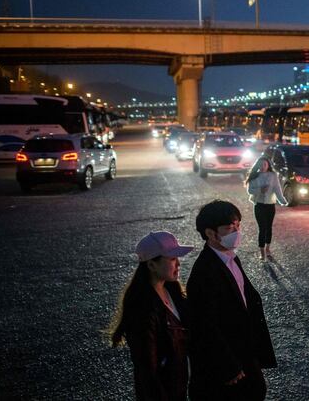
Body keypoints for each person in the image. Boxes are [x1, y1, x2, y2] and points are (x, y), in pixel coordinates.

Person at [187, 200, 277, 400]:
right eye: (229, 228)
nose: (236, 232)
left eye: (238, 225)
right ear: (210, 233)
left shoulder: (231, 258)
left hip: (245, 354)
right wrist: (228, 367)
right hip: (228, 367)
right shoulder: (204, 271)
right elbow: (205, 326)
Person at [109, 231, 194, 401]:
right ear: (151, 265)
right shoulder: (142, 308)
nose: (178, 264)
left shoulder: (173, 290)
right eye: (171, 259)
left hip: (181, 386)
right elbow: (147, 369)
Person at [244, 157, 288, 260]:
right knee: (262, 228)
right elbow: (250, 191)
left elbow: (277, 189)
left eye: (264, 164)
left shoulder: (273, 176)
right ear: (257, 165)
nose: (262, 166)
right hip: (259, 205)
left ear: (268, 165)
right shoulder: (254, 176)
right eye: (260, 164)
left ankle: (268, 248)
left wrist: (283, 201)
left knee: (269, 227)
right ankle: (262, 251)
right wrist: (260, 190)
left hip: (270, 205)